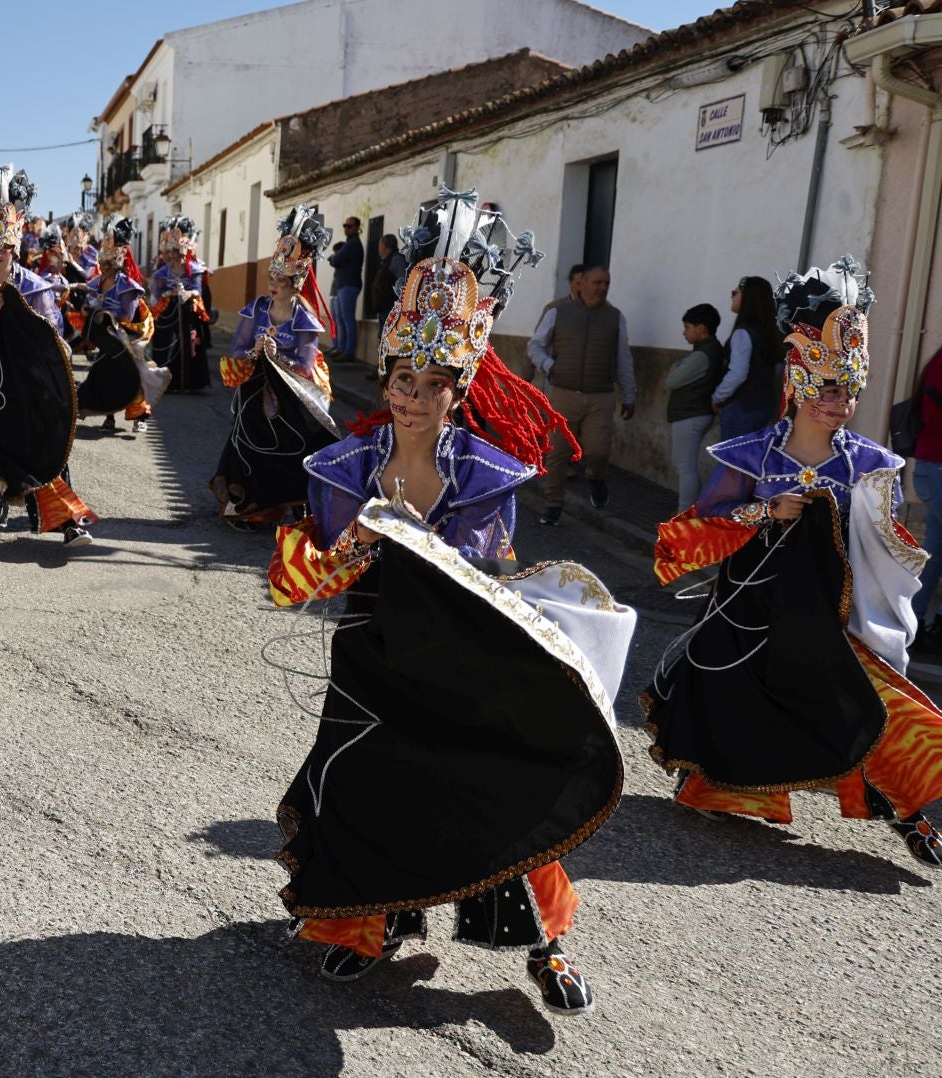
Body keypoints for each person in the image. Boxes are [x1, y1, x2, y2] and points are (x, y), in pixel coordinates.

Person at [267, 192, 624, 1018]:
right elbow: (295, 583)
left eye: (432, 382)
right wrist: (352, 548)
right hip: (370, 654)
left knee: (497, 785)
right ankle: (370, 923)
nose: (413, 396)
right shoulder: (345, 467)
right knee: (365, 780)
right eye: (402, 378)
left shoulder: (484, 474)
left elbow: (487, 577)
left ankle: (548, 944)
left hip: (460, 656)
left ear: (459, 389)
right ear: (384, 375)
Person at [645, 257, 942, 870]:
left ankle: (906, 810)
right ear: (802, 382)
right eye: (829, 389)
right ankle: (728, 788)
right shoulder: (751, 455)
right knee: (735, 697)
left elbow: (892, 550)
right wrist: (763, 514)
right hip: (752, 614)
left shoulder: (870, 463)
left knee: (869, 702)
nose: (841, 404)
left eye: (850, 391)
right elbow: (691, 534)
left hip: (832, 618)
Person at [0, 166, 97, 547]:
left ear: (14, 248)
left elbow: (57, 342)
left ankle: (67, 522)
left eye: (4, 248)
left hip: (29, 387)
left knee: (44, 446)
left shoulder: (36, 288)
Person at [210, 206, 339, 528]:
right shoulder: (257, 308)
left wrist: (278, 356)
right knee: (245, 434)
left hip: (292, 389)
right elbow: (237, 347)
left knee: (299, 442)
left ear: (296, 282)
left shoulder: (304, 318)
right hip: (257, 382)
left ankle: (296, 498)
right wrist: (254, 351)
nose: (273, 283)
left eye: (281, 279)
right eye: (271, 276)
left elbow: (307, 364)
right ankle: (248, 501)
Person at [529, 264, 635, 523]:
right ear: (583, 283)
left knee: (598, 451)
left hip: (600, 396)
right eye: (597, 282)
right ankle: (553, 505)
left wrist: (629, 394)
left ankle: (596, 479)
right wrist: (549, 366)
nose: (602, 288)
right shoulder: (557, 313)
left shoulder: (615, 317)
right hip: (564, 393)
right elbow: (535, 345)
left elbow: (623, 358)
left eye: (606, 283)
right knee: (557, 453)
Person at [75, 216, 166, 435]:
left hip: (127, 340)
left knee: (135, 377)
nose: (103, 267)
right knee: (103, 375)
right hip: (107, 341)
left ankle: (139, 417)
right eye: (102, 263)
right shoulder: (98, 281)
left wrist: (103, 311)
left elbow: (128, 315)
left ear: (118, 262)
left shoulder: (128, 286)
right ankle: (108, 415)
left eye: (107, 263)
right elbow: (87, 295)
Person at [664, 303, 727, 511]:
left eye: (687, 327)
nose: (684, 332)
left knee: (685, 467)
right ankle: (691, 511)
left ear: (701, 328)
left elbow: (672, 380)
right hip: (692, 412)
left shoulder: (703, 354)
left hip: (691, 413)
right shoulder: (706, 350)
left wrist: (677, 368)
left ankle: (686, 514)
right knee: (682, 464)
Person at [711, 275, 785, 439]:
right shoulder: (772, 332)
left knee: (732, 460)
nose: (732, 297)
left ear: (747, 297)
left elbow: (737, 373)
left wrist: (717, 397)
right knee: (749, 461)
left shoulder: (743, 333)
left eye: (734, 293)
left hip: (741, 407)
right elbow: (778, 367)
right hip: (764, 405)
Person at [150, 215, 212, 393]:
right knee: (167, 344)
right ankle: (166, 382)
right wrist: (168, 294)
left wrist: (188, 292)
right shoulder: (162, 271)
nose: (175, 255)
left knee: (189, 344)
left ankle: (190, 382)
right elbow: (156, 294)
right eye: (172, 251)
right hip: (168, 313)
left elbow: (198, 291)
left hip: (188, 312)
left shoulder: (195, 269)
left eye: (178, 251)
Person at [912, 344, 942, 642]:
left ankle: (914, 621)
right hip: (936, 468)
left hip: (932, 468)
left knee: (935, 553)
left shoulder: (936, 363)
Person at [325, 215, 363, 359]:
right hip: (345, 285)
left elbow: (337, 259)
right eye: (345, 226)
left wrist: (333, 258)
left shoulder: (352, 244)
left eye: (350, 226)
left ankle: (348, 352)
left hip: (349, 285)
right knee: (342, 319)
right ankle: (342, 348)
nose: (347, 229)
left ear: (357, 228)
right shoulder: (350, 243)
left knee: (347, 320)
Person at [367, 232, 407, 321]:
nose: (379, 248)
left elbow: (403, 281)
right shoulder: (387, 260)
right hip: (384, 308)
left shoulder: (396, 259)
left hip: (390, 308)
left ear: (385, 246)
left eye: (380, 245)